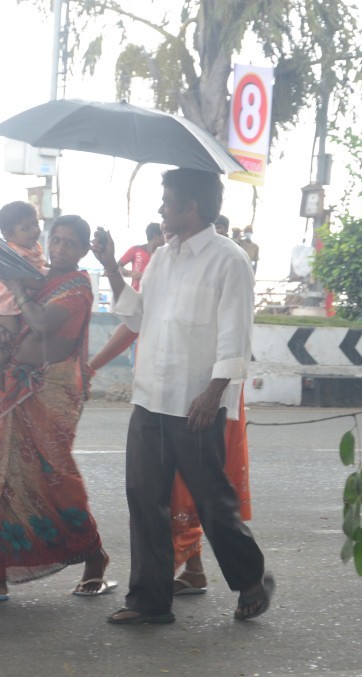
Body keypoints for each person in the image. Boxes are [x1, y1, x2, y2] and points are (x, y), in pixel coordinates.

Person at [92, 167, 274, 625]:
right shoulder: (162, 257)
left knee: (212, 501)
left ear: (191, 206)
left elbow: (236, 336)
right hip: (150, 397)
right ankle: (149, 601)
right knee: (144, 498)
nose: (161, 209)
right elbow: (136, 317)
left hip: (196, 404)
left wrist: (213, 394)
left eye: (167, 201)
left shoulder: (228, 260)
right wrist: (111, 266)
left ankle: (251, 579)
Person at [0, 215, 115, 600]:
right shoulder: (34, 277)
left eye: (70, 243)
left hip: (50, 392)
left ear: (82, 250)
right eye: (56, 240)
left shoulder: (77, 288)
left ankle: (93, 554)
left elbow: (43, 324)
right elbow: (7, 321)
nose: (61, 248)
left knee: (53, 476)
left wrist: (17, 290)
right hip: (13, 388)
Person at [0, 201, 48, 395]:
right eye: (26, 228)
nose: (33, 231)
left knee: (11, 334)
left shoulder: (32, 247)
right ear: (9, 234)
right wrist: (46, 280)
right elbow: (28, 280)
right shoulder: (12, 251)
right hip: (1, 304)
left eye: (35, 224)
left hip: (11, 303)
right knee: (13, 332)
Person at [118, 222, 165, 292]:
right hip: (136, 295)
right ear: (155, 235)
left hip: (155, 296)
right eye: (163, 234)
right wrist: (130, 273)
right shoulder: (135, 250)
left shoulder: (162, 254)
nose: (165, 237)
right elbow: (117, 266)